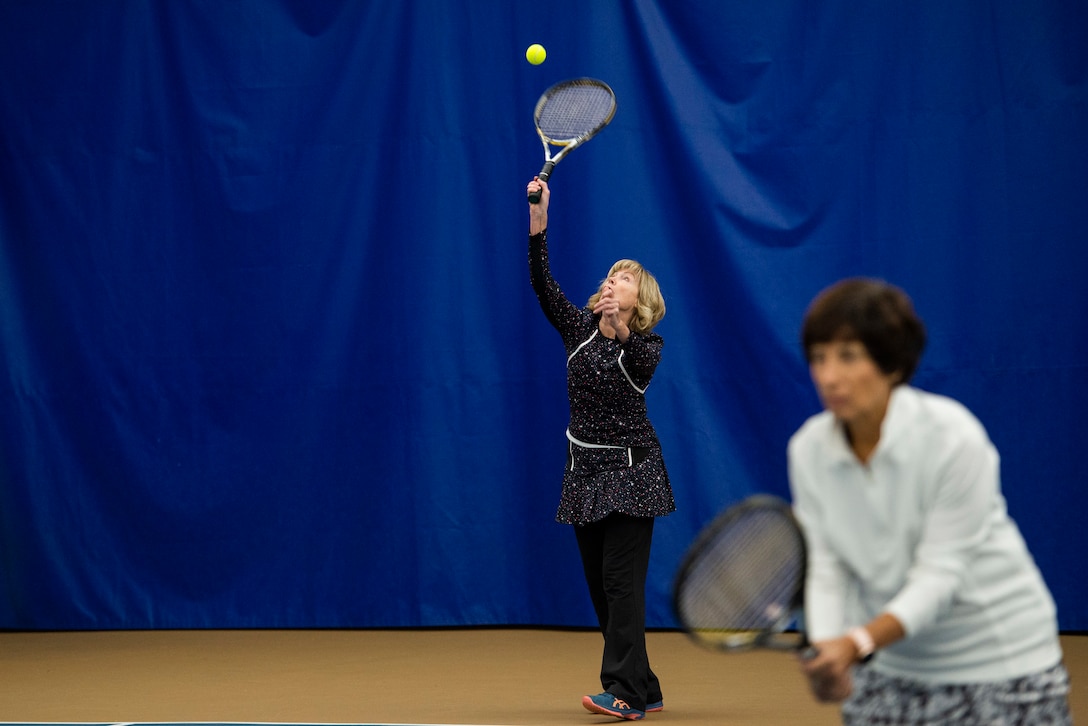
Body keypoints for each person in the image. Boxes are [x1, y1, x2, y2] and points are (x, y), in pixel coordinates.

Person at [788, 278, 1072, 724]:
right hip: (888, 667)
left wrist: (857, 643)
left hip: (1004, 668)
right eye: (819, 357)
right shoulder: (808, 450)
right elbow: (827, 563)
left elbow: (940, 576)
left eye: (848, 356)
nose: (828, 375)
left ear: (892, 364)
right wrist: (828, 644)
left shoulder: (953, 437)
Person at [526, 177, 675, 722]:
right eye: (612, 274)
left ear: (642, 298)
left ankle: (625, 693)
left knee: (620, 583)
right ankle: (647, 684)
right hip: (584, 474)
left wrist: (620, 330)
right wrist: (539, 220)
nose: (614, 281)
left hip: (633, 476)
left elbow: (634, 364)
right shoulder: (578, 330)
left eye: (627, 278)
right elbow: (543, 284)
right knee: (602, 592)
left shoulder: (646, 348)